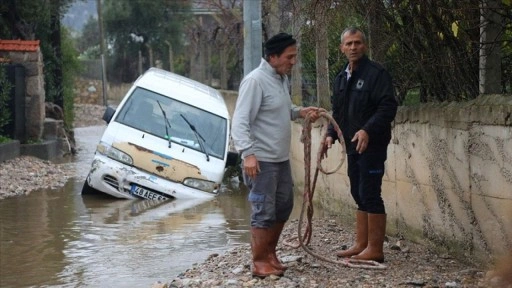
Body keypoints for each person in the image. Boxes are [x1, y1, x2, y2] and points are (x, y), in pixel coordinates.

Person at [231, 32, 319, 277]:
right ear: (272, 57)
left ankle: (270, 254)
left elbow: (280, 109)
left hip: (280, 159)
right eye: (289, 57)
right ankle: (259, 262)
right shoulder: (255, 81)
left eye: (294, 57)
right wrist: (248, 153)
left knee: (284, 206)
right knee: (264, 209)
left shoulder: (280, 79)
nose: (293, 62)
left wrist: (300, 112)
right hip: (261, 161)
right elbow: (239, 121)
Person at [323, 27, 398, 263]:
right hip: (352, 146)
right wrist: (330, 135)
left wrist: (367, 129)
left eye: (357, 43)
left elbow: (388, 107)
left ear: (364, 46)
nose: (353, 47)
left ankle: (375, 249)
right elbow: (338, 113)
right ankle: (361, 244)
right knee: (357, 191)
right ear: (342, 48)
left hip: (372, 145)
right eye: (349, 44)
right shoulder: (340, 78)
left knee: (370, 192)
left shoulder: (377, 74)